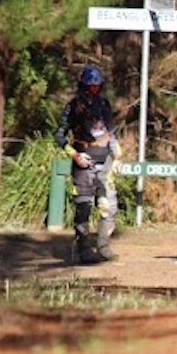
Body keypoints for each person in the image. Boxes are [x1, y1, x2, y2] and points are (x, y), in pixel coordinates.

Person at [55, 64, 121, 263]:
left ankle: (103, 246)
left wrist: (117, 155)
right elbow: (59, 136)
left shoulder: (104, 105)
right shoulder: (73, 107)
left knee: (109, 205)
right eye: (89, 86)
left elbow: (111, 132)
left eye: (96, 86)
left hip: (105, 161)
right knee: (84, 205)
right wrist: (75, 155)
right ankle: (83, 249)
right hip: (83, 161)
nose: (93, 90)